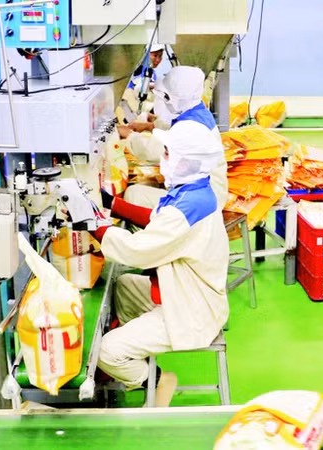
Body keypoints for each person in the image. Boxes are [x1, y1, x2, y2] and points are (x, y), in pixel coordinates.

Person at [94, 120, 229, 407]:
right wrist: (113, 205)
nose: (163, 158)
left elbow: (137, 250)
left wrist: (93, 227)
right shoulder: (193, 191)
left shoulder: (189, 207)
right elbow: (158, 219)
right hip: (184, 292)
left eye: (167, 153)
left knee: (107, 351)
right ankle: (137, 352)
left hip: (191, 313)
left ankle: (156, 380)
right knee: (125, 285)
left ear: (186, 161)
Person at [118, 66, 229, 211]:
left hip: (199, 203)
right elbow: (174, 125)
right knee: (147, 184)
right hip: (203, 192)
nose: (164, 100)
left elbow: (155, 149)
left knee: (133, 195)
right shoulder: (197, 111)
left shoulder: (191, 128)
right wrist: (150, 125)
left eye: (166, 97)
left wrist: (129, 136)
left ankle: (163, 232)